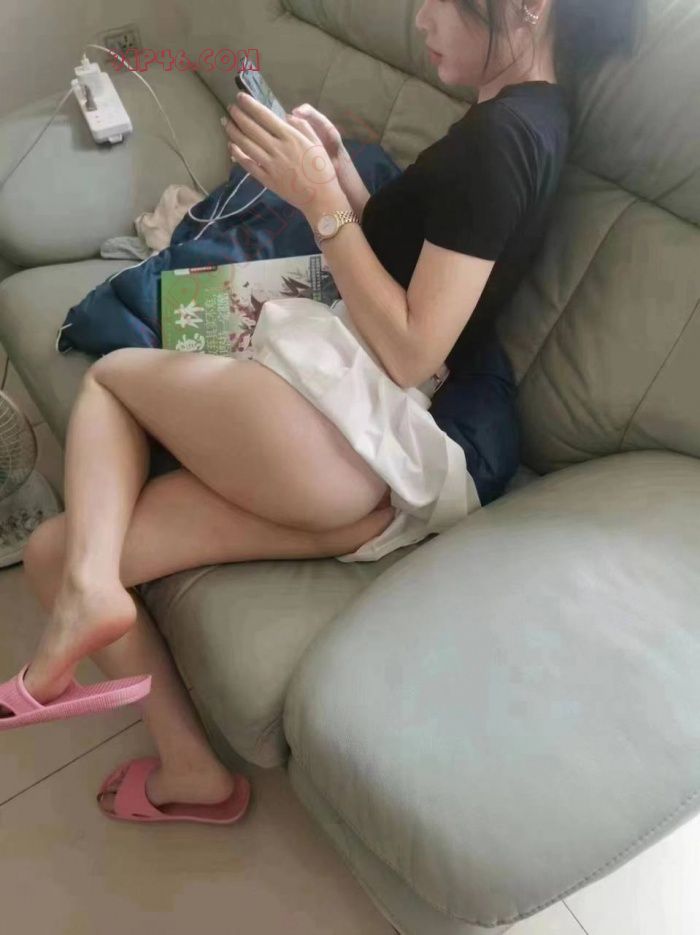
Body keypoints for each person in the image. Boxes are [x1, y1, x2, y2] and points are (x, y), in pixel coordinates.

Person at [1, 0, 646, 821]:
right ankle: (192, 772)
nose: (421, 19)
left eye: (442, 1)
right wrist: (341, 173)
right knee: (57, 551)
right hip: (365, 468)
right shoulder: (525, 116)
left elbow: (412, 346)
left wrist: (320, 205)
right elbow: (424, 262)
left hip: (359, 422)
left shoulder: (503, 140)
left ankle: (99, 594)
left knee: (113, 379)